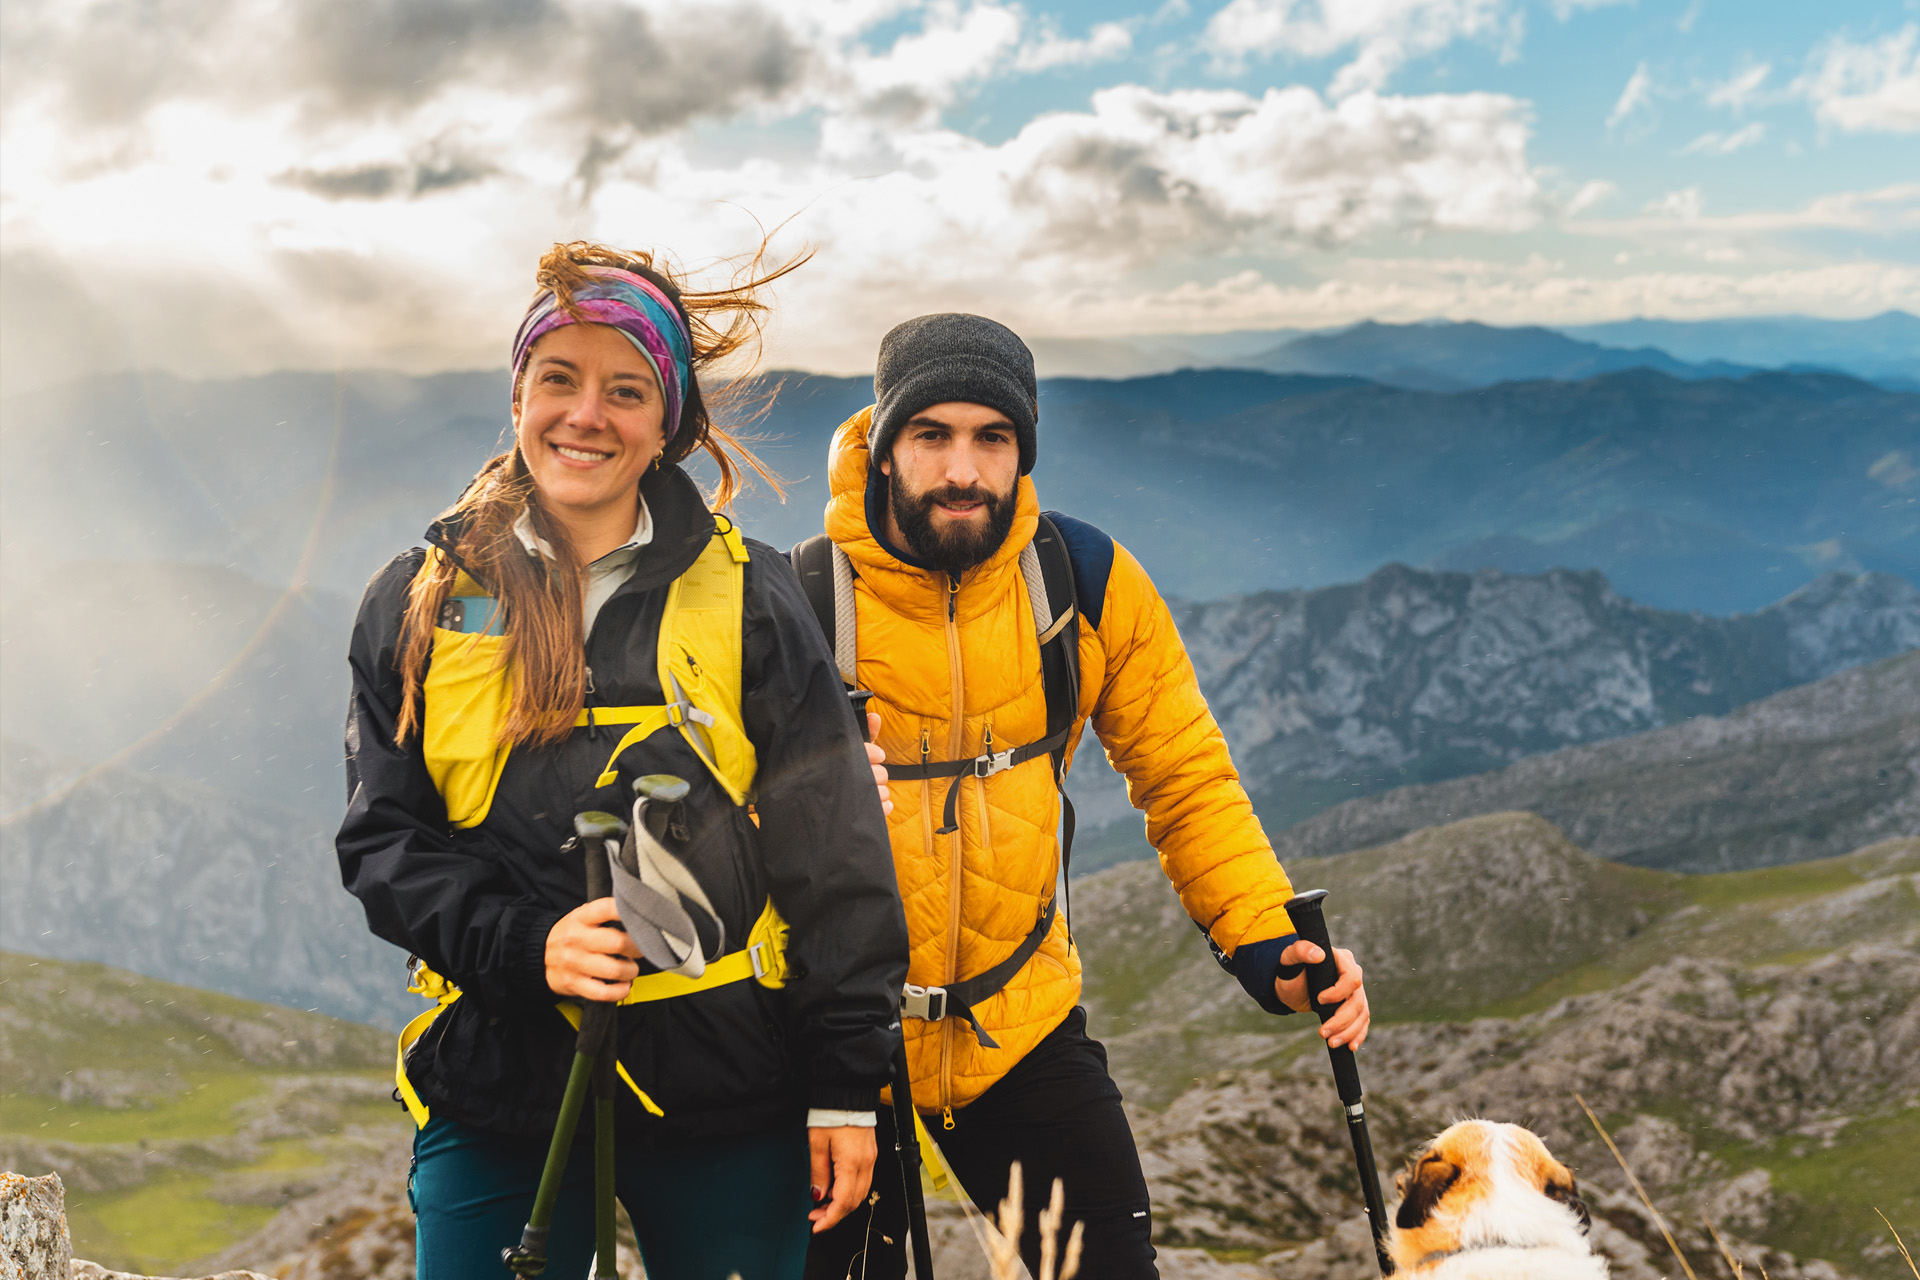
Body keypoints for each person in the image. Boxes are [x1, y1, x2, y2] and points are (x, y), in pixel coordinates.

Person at [337, 242, 909, 1280]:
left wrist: (843, 1087)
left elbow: (837, 855)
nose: (586, 415)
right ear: (519, 397)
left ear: (667, 425)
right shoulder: (418, 599)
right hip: (505, 1078)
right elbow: (384, 843)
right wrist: (530, 946)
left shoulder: (752, 595)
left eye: (626, 390)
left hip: (728, 1082)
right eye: (558, 378)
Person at [801, 313, 1371, 1280]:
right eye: (931, 434)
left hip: (1020, 1024)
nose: (962, 471)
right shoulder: (801, 601)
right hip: (841, 1048)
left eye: (993, 438)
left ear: (1023, 452)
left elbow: (1185, 776)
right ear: (884, 445)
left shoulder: (1083, 582)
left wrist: (1270, 942)